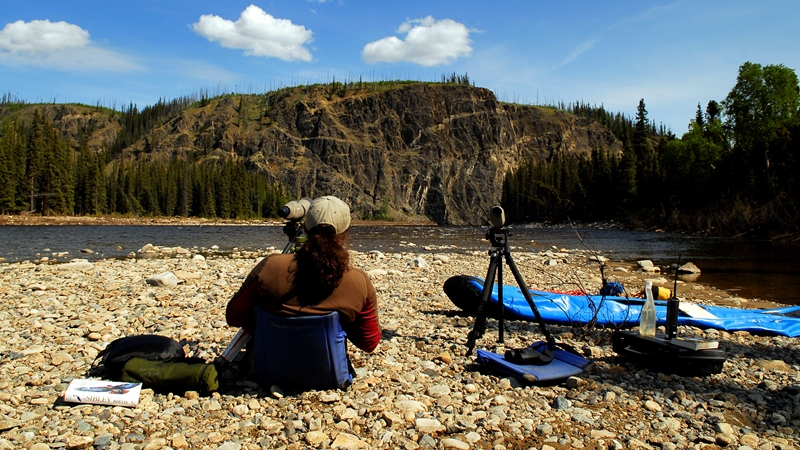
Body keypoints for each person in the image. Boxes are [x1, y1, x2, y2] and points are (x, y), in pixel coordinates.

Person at [225, 195, 382, 364]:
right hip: (326, 372)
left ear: (305, 229)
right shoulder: (358, 281)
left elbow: (233, 317)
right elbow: (369, 343)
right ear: (344, 235)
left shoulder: (270, 267)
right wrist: (344, 320)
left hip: (270, 368)